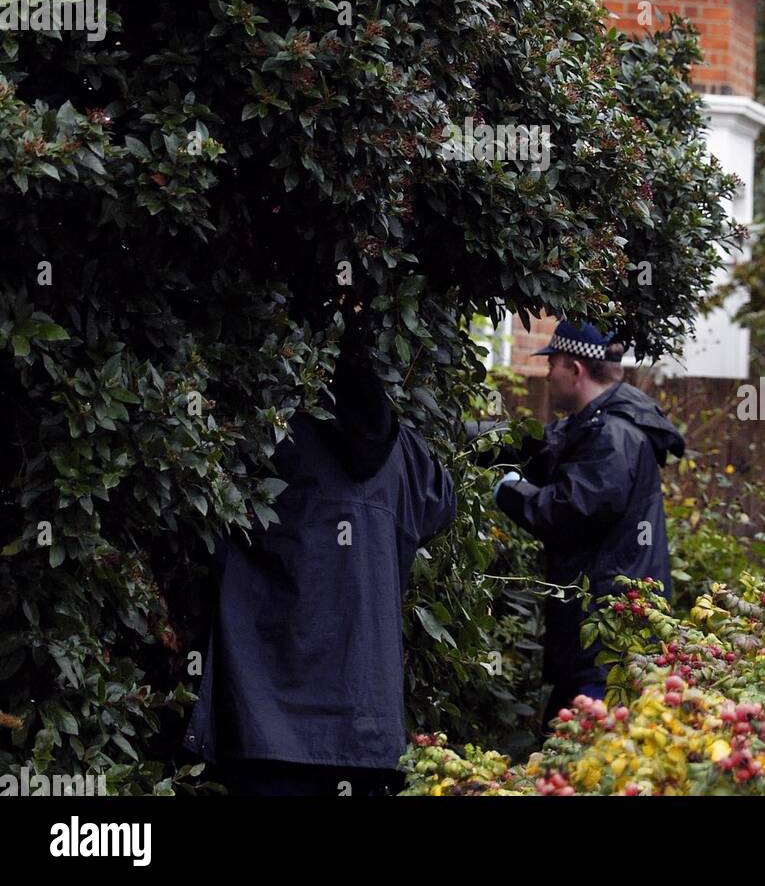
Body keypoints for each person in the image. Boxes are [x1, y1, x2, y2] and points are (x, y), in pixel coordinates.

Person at [182, 360, 456, 796]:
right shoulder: (405, 453)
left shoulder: (264, 437)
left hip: (264, 717)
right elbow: (442, 505)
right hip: (365, 724)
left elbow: (193, 509)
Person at [490, 321, 683, 733]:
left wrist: (508, 491)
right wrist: (465, 439)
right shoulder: (594, 424)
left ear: (575, 370)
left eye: (553, 364)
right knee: (566, 750)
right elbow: (535, 447)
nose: (547, 373)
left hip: (607, 638)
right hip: (592, 634)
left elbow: (567, 511)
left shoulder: (613, 437)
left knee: (585, 755)